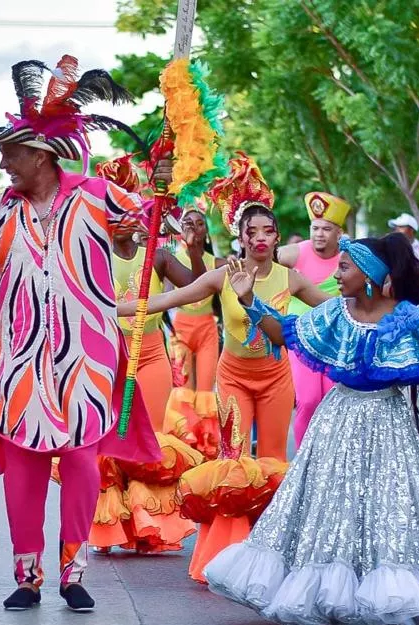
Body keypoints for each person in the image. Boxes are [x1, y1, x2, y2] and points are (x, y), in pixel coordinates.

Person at [0, 56, 165, 611]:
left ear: (41, 155)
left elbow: (155, 223)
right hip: (21, 361)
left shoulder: (100, 194)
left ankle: (73, 573)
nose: (4, 161)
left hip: (88, 355)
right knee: (23, 467)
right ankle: (26, 576)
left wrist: (160, 192)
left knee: (80, 461)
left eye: (11, 151)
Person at [203, 232, 419, 625]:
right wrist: (249, 300)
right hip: (337, 419)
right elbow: (284, 333)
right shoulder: (336, 314)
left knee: (387, 506)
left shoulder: (408, 317)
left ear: (370, 276)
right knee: (332, 504)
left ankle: (381, 596)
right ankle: (327, 595)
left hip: (388, 423)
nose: (336, 276)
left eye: (344, 268)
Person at [118, 155, 329, 582]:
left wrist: (387, 308)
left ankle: (271, 552)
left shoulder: (290, 279)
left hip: (275, 379)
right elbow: (168, 300)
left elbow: (337, 310)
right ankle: (228, 557)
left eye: (269, 231)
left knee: (272, 461)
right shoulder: (223, 274)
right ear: (241, 236)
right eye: (253, 232)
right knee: (234, 463)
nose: (262, 238)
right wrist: (112, 308)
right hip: (233, 376)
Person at [91, 154, 206, 556]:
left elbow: (196, 287)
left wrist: (194, 250)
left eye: (127, 205)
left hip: (153, 356)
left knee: (149, 440)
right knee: (108, 440)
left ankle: (147, 526)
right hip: (107, 358)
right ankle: (110, 525)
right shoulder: (90, 253)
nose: (121, 216)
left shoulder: (155, 253)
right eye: (112, 207)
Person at [277, 191, 349, 446]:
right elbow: (263, 259)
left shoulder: (347, 257)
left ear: (338, 233)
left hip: (334, 340)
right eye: (315, 227)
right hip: (301, 338)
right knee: (308, 400)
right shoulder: (293, 254)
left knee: (331, 399)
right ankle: (302, 461)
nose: (319, 233)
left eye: (326, 229)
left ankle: (327, 459)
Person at [164, 206, 219, 459]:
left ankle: (207, 448)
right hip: (181, 330)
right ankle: (184, 446)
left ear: (205, 230)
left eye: (199, 223)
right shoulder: (171, 261)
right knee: (184, 392)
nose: (194, 227)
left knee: (206, 392)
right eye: (187, 222)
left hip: (207, 329)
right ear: (179, 228)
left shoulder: (217, 263)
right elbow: (162, 297)